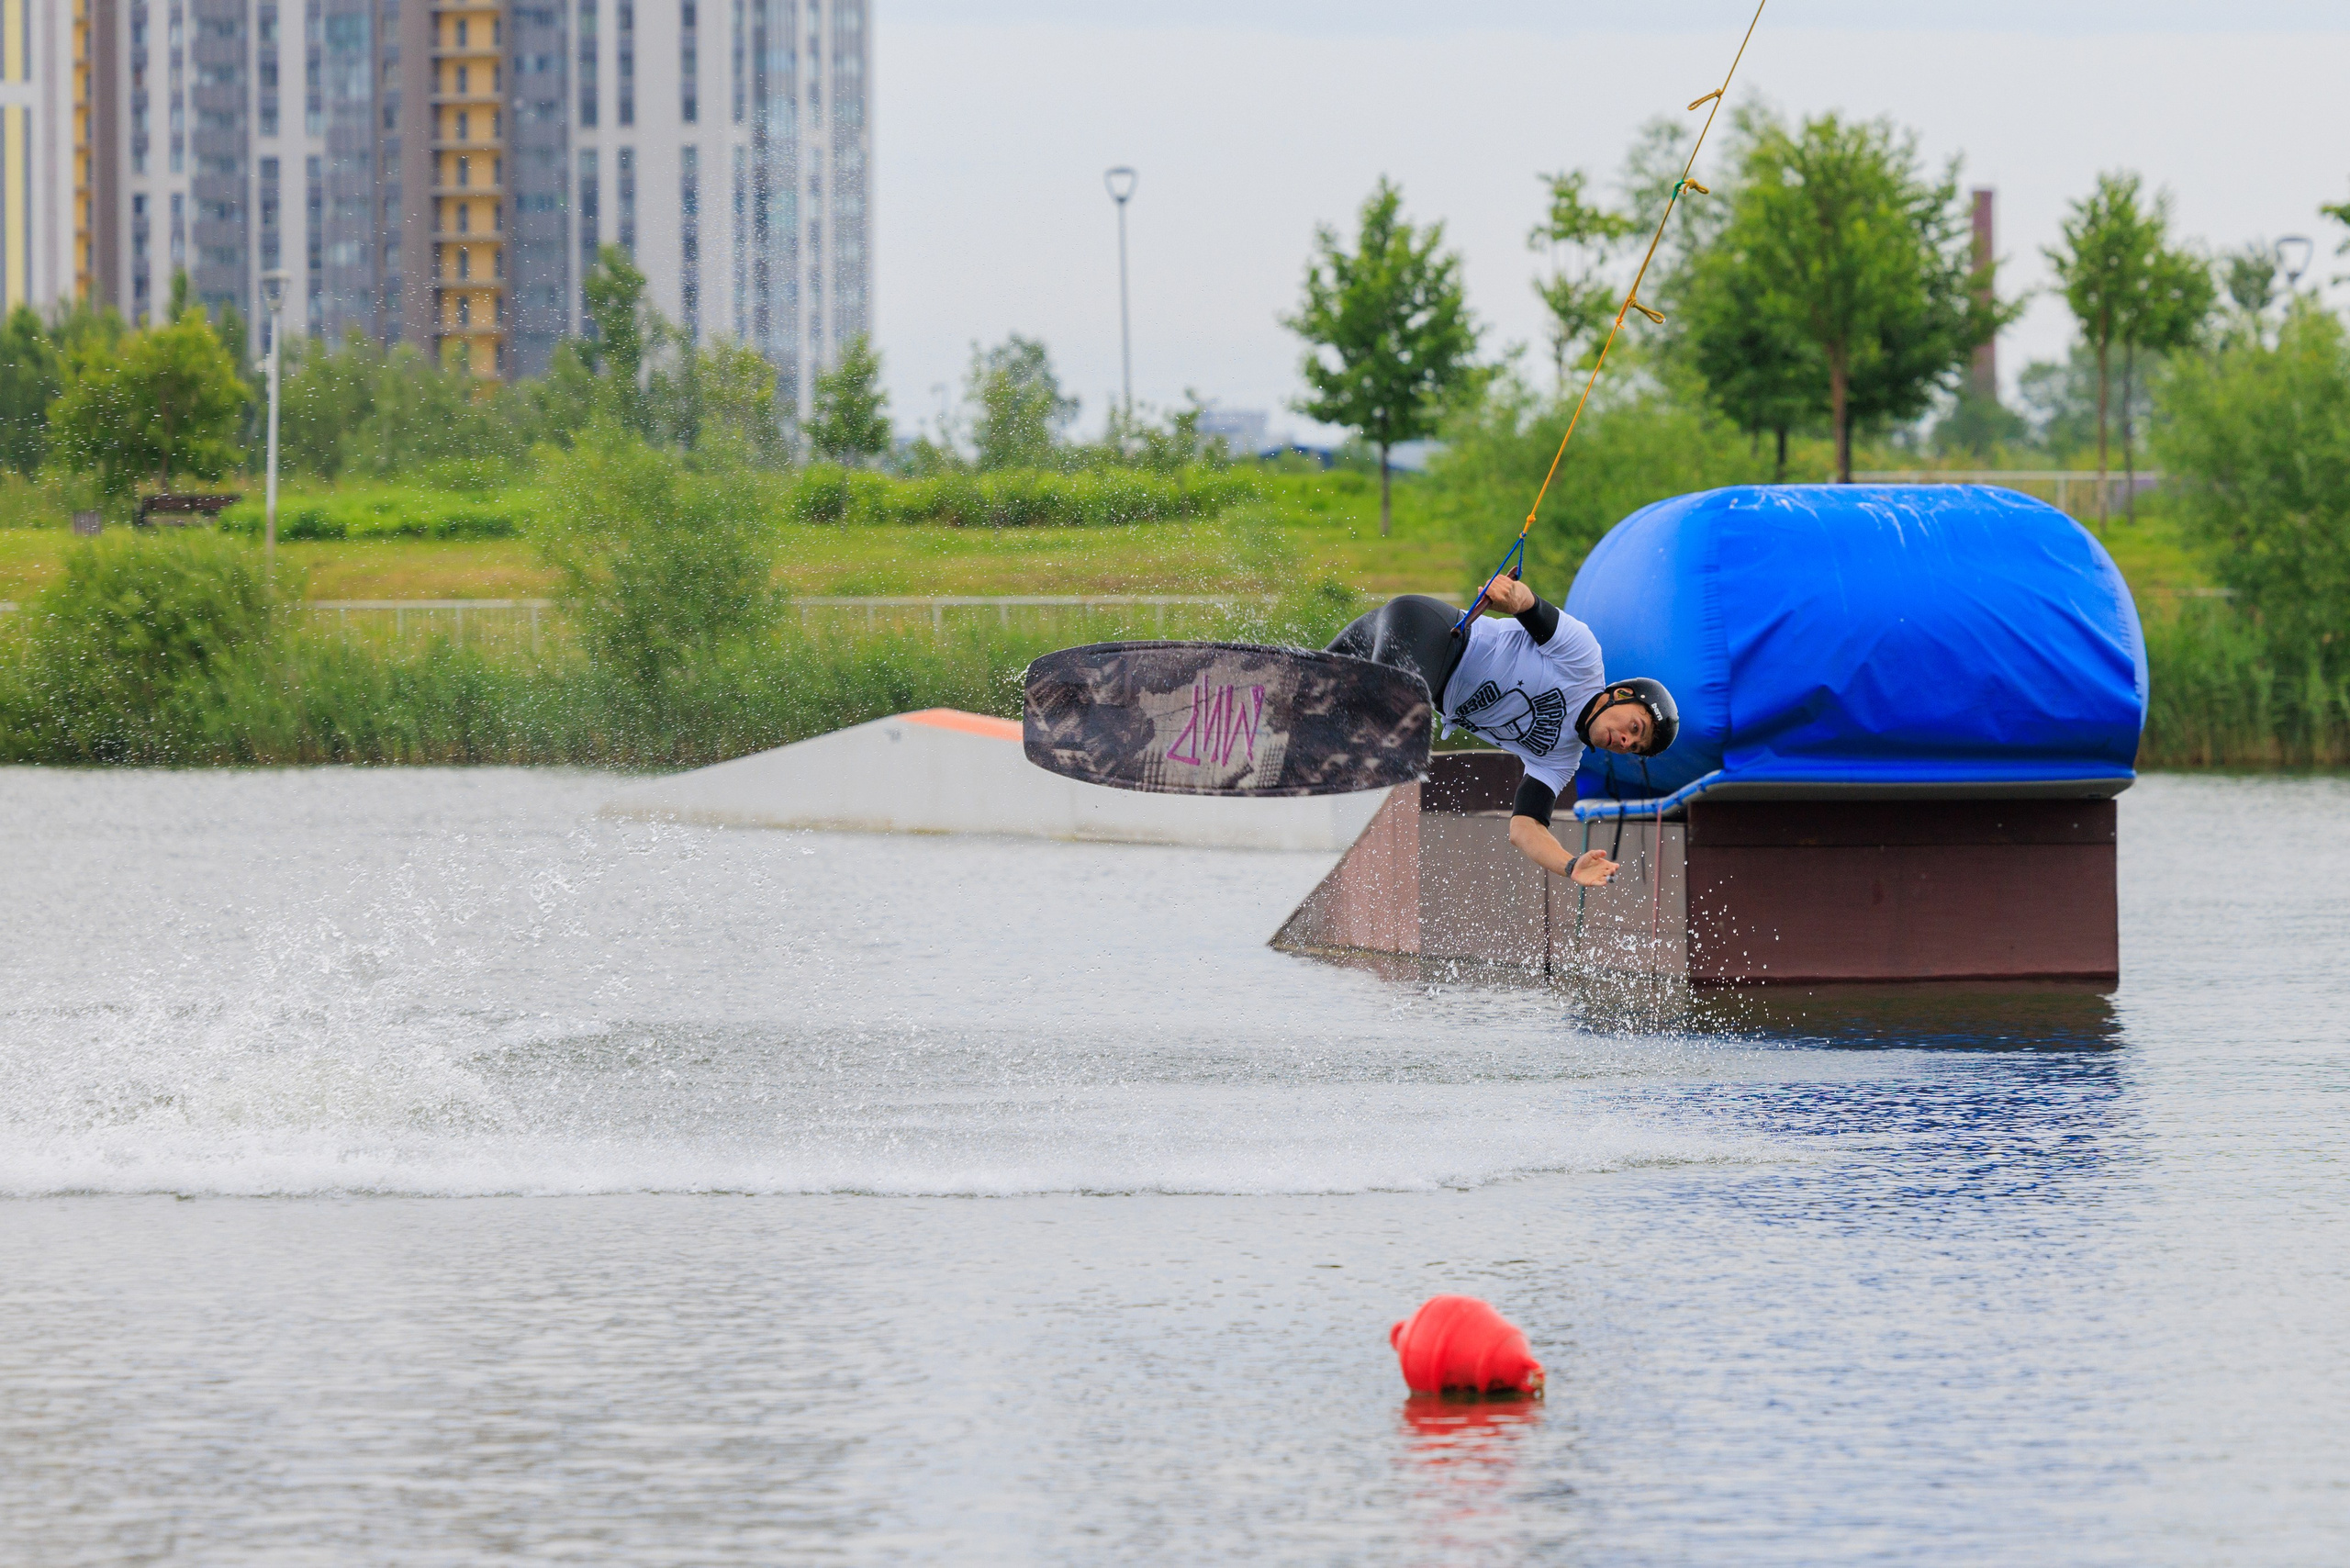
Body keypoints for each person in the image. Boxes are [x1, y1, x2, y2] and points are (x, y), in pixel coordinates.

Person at [1326, 576, 1678, 886]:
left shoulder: (1559, 760)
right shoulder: (1583, 659)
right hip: (1426, 630)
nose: (1626, 740)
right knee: (1385, 729)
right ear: (1621, 695)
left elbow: (1524, 828)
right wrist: (1510, 596)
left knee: (1307, 695)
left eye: (1634, 746)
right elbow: (1531, 607)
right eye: (1635, 726)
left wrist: (1569, 865)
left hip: (1411, 670)